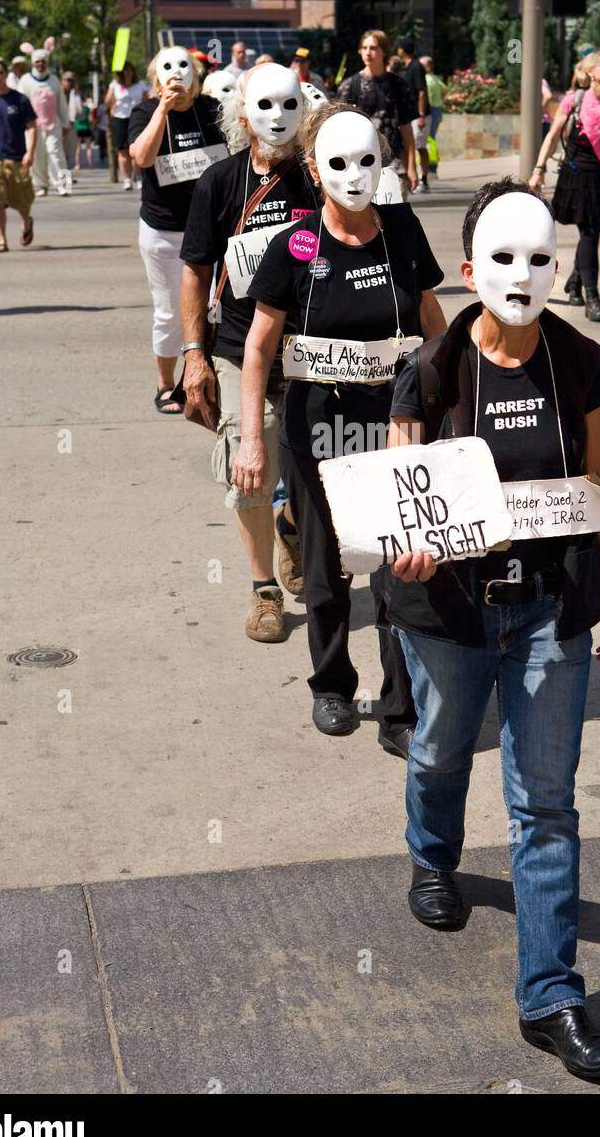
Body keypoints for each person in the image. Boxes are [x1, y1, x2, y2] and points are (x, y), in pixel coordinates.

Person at [383, 179, 600, 1081]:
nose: (522, 276)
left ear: (557, 266)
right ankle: (433, 856)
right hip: (450, 613)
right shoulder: (430, 372)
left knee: (545, 803)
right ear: (464, 270)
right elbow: (399, 498)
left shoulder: (579, 365)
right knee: (444, 749)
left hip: (548, 613)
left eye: (539, 258)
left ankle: (550, 997)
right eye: (502, 257)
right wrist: (405, 548)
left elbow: (599, 486)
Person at [234, 102, 446, 747]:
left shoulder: (403, 228)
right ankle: (330, 686)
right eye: (338, 163)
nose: (354, 177)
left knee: (396, 567)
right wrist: (250, 438)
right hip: (317, 427)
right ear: (313, 167)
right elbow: (258, 348)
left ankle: (400, 707)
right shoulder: (294, 244)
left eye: (366, 161)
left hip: (395, 424)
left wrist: (456, 405)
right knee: (328, 571)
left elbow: (432, 323)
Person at [180, 63, 316, 643]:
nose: (278, 118)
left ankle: (292, 525)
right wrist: (194, 354)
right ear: (242, 113)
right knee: (250, 469)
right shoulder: (219, 181)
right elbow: (194, 271)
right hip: (240, 346)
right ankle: (264, 590)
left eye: (289, 106)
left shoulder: (322, 176)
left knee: (317, 471)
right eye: (264, 106)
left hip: (315, 349)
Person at [128, 47, 228, 413]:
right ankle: (165, 382)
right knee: (170, 311)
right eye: (167, 69)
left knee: (211, 309)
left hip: (209, 230)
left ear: (196, 76)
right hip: (163, 232)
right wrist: (162, 109)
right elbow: (141, 157)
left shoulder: (212, 111)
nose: (176, 75)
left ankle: (203, 374)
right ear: (156, 78)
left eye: (184, 67)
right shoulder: (144, 112)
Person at [530, 50, 600, 322]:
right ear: (591, 71)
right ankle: (593, 297)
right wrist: (538, 169)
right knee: (590, 233)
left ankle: (576, 281)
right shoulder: (574, 100)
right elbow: (552, 136)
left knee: (591, 233)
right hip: (576, 177)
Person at [337, 30, 418, 195]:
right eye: (364, 47)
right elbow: (339, 131)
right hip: (359, 169)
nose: (368, 52)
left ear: (384, 51)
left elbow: (406, 129)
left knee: (395, 219)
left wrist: (412, 167)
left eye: (373, 48)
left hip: (395, 167)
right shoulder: (350, 86)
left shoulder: (398, 85)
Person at [0, 58, 37, 252]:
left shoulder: (19, 100)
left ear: (5, 74)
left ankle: (27, 221)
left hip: (17, 157)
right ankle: (2, 239)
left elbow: (32, 127)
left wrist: (30, 152)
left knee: (22, 201)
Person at [19, 48, 71, 197]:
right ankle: (40, 185)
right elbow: (21, 103)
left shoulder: (54, 80)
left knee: (56, 153)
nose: (40, 64)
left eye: (43, 62)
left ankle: (63, 185)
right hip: (33, 126)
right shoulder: (25, 80)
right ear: (33, 63)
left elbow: (62, 104)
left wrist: (65, 122)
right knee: (37, 155)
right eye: (37, 62)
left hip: (53, 124)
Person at [105, 63, 148, 191]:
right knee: (122, 150)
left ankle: (139, 176)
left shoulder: (140, 85)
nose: (127, 73)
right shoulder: (115, 85)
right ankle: (127, 179)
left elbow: (146, 100)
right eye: (124, 71)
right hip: (120, 119)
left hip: (136, 119)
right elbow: (107, 103)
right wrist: (111, 92)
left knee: (136, 150)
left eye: (129, 70)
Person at [396, 36, 431, 190]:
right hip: (409, 115)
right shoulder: (405, 67)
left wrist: (421, 114)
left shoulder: (417, 67)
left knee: (420, 146)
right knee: (412, 145)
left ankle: (424, 179)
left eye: (399, 48)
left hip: (419, 115)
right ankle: (413, 178)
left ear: (403, 50)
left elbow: (422, 91)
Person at [421, 56, 446, 173]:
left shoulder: (426, 80)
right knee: (432, 138)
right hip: (438, 109)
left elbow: (427, 98)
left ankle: (432, 165)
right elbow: (445, 89)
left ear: (427, 67)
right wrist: (440, 100)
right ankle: (433, 165)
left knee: (429, 139)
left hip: (430, 110)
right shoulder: (435, 78)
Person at [61, 72, 83, 178]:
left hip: (71, 125)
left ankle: (66, 177)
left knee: (68, 153)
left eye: (71, 80)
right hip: (58, 126)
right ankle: (63, 179)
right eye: (68, 80)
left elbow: (79, 112)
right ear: (62, 81)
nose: (70, 83)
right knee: (59, 153)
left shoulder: (75, 94)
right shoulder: (58, 92)